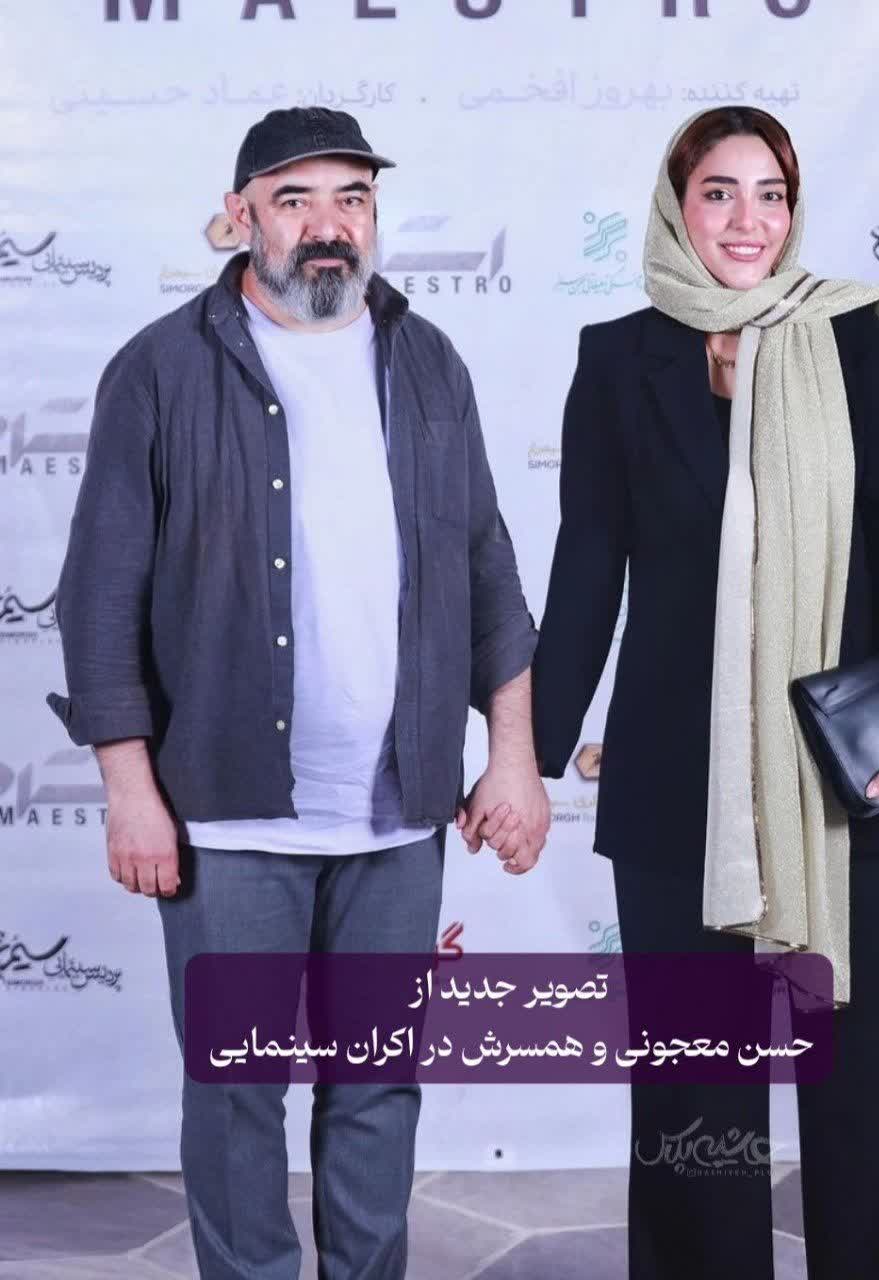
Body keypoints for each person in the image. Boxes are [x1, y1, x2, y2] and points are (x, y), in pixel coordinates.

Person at [48, 106, 550, 1280]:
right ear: (240, 218)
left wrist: (513, 754)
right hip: (225, 813)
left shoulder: (428, 361)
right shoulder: (162, 368)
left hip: (397, 814)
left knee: (378, 1083)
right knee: (237, 1093)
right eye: (295, 200)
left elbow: (486, 567)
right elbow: (99, 594)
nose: (329, 226)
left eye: (352, 199)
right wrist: (130, 789)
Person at [530, 107, 879, 1280]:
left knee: (871, 1073)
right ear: (676, 206)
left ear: (793, 207)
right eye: (718, 192)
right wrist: (525, 749)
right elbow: (588, 564)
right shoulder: (618, 357)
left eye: (769, 192)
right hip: (682, 772)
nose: (746, 219)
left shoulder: (848, 335)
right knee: (694, 1089)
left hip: (855, 761)